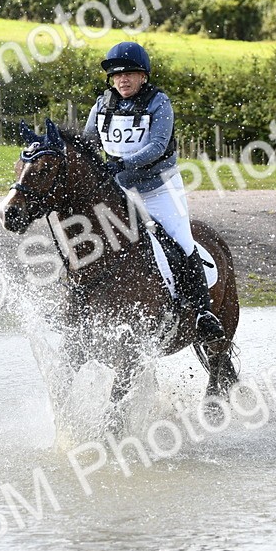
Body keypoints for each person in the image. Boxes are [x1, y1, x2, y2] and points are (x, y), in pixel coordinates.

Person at [82, 41, 225, 342]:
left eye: (129, 74)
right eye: (117, 75)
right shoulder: (102, 105)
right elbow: (88, 143)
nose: (122, 80)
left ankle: (203, 313)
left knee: (182, 243)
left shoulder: (159, 103)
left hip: (159, 190)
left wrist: (121, 164)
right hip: (120, 191)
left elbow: (157, 147)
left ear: (143, 76)